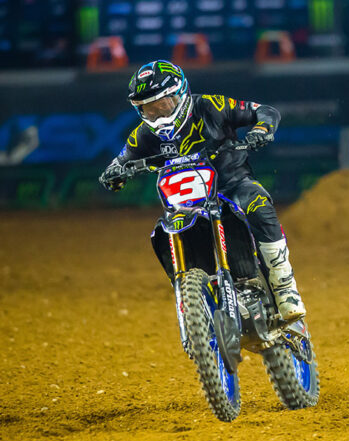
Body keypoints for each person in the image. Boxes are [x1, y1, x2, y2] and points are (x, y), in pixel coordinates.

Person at [99, 59, 305, 321]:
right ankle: (197, 296)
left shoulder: (210, 106)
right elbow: (120, 161)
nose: (158, 114)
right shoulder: (143, 134)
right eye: (148, 109)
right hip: (186, 201)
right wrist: (113, 174)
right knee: (163, 230)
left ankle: (284, 286)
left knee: (256, 201)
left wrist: (262, 129)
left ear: (179, 93)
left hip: (232, 184)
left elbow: (265, 111)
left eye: (162, 104)